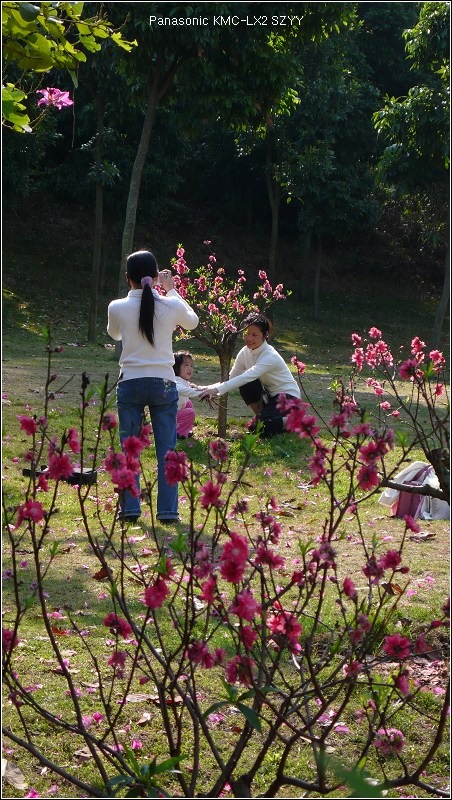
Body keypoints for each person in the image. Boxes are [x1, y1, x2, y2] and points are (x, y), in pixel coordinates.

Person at [107, 250, 199, 524]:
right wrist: (172, 291)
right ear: (157, 276)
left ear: (128, 278)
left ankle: (130, 509)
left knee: (130, 449)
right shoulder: (169, 305)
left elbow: (115, 333)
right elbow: (192, 322)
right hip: (163, 383)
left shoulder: (116, 306)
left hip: (130, 381)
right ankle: (168, 511)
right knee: (167, 449)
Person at [198, 313, 301, 438]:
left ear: (265, 335)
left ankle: (294, 420)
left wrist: (216, 390)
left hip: (287, 397)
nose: (249, 338)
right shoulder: (245, 352)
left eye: (254, 335)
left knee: (258, 427)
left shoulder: (269, 355)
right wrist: (206, 388)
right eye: (246, 333)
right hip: (269, 396)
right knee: (247, 386)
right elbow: (232, 377)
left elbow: (247, 376)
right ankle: (265, 417)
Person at [173, 351, 203, 439]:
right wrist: (199, 392)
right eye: (186, 365)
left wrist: (194, 387)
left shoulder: (182, 380)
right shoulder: (176, 381)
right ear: (176, 367)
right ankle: (179, 433)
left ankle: (185, 429)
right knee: (190, 412)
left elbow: (187, 385)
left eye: (191, 366)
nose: (190, 368)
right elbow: (181, 389)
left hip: (177, 411)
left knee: (188, 403)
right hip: (170, 415)